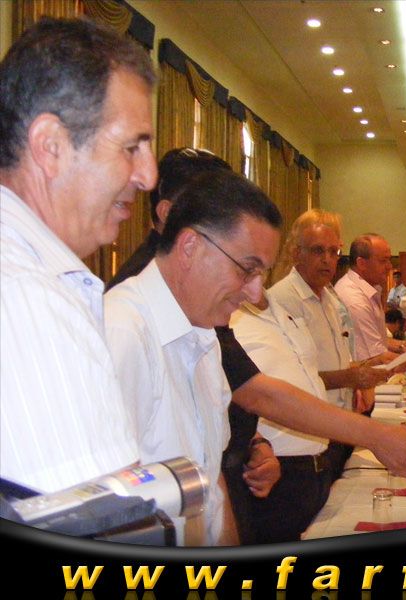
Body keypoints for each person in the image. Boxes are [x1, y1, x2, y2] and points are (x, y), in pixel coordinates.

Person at [0, 17, 156, 493]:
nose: (148, 176)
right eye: (131, 147)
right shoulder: (30, 300)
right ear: (51, 146)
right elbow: (101, 518)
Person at [104, 170, 280, 545]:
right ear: (190, 247)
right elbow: (108, 511)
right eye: (246, 269)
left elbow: (211, 481)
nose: (254, 293)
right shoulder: (122, 332)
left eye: (262, 274)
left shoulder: (204, 336)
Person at [268, 209, 390, 476]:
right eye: (317, 251)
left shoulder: (330, 298)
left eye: (333, 252)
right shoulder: (282, 300)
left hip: (338, 428)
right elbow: (287, 383)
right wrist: (350, 377)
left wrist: (357, 379)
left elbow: (340, 356)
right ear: (296, 253)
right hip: (306, 439)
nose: (327, 260)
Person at [230, 296, 335, 542]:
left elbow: (306, 375)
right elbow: (236, 395)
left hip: (317, 467)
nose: (254, 287)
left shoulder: (281, 306)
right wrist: (255, 442)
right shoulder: (227, 316)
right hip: (274, 472)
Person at [106, 147, 230, 290]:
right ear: (167, 213)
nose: (225, 222)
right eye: (211, 208)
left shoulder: (183, 269)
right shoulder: (146, 280)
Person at [335, 233, 406, 372]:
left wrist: (401, 345)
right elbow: (377, 359)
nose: (389, 266)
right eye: (383, 261)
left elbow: (373, 343)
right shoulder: (355, 300)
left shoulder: (366, 289)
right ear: (362, 264)